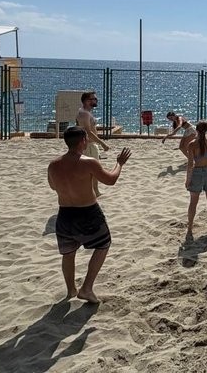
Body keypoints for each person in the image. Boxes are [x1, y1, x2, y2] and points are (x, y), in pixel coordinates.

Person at [47, 126, 131, 303]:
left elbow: (53, 186)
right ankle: (86, 288)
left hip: (64, 214)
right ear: (83, 141)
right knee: (103, 244)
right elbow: (111, 180)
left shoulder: (53, 165)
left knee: (68, 253)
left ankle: (71, 290)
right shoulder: (89, 162)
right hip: (88, 212)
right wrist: (119, 164)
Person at [185, 121, 207, 235]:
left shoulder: (192, 144)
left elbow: (190, 164)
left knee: (193, 202)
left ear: (196, 130)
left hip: (197, 173)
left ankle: (190, 227)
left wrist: (188, 180)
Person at [77, 91, 110, 196]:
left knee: (90, 169)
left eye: (95, 99)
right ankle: (95, 191)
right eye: (93, 99)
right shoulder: (85, 113)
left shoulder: (83, 111)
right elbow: (89, 131)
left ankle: (93, 190)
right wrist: (102, 143)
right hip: (89, 145)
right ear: (86, 101)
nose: (95, 100)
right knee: (94, 169)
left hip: (87, 144)